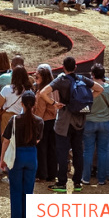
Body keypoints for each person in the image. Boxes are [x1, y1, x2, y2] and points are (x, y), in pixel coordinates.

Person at [39, 56, 103, 193]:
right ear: (75, 67)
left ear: (63, 67)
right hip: (80, 121)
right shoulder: (82, 79)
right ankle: (77, 182)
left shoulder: (61, 80)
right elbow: (99, 89)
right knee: (78, 152)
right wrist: (85, 100)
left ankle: (62, 183)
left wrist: (53, 103)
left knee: (62, 153)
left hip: (64, 121)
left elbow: (43, 92)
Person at [0, 90, 43, 218]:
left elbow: (6, 141)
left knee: (15, 189)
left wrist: (2, 158)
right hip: (31, 155)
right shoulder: (39, 121)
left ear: (21, 103)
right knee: (28, 190)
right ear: (34, 104)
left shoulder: (14, 120)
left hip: (17, 155)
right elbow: (37, 140)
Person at [82, 64, 109, 186]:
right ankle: (102, 179)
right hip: (105, 122)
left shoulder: (87, 89)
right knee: (103, 151)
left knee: (88, 151)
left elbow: (82, 106)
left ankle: (86, 178)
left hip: (89, 121)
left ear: (92, 75)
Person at [32, 65, 57, 182]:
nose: (35, 78)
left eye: (37, 77)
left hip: (44, 122)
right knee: (52, 148)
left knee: (41, 148)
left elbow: (40, 111)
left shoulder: (42, 92)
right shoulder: (53, 88)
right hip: (53, 121)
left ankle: (42, 173)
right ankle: (51, 173)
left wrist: (35, 123)